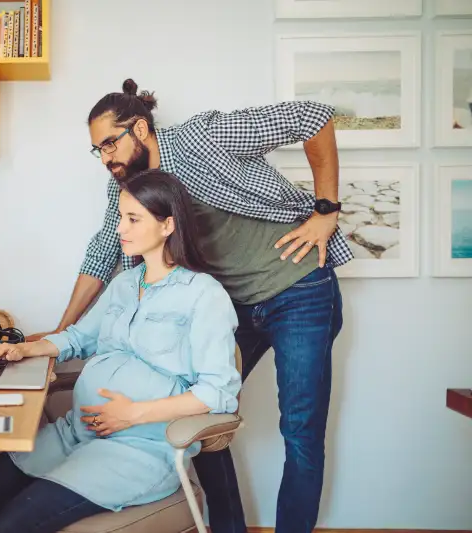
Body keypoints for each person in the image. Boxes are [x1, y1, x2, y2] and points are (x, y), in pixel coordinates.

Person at [31, 79, 348, 533]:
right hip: (232, 303)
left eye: (109, 144)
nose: (105, 159)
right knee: (202, 416)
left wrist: (326, 211)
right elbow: (103, 251)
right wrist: (59, 334)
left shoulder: (203, 138)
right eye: (96, 150)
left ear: (140, 129)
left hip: (297, 288)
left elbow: (313, 117)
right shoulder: (128, 191)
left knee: (300, 429)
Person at [0, 169, 242, 533]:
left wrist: (132, 414)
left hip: (138, 450)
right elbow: (77, 338)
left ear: (167, 225)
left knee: (12, 525)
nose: (120, 229)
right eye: (121, 217)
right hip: (76, 432)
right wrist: (23, 349)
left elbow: (219, 392)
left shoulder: (204, 294)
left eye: (133, 219)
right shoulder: (124, 284)